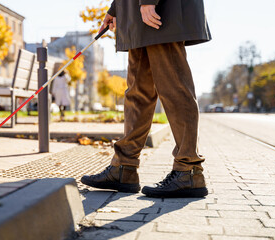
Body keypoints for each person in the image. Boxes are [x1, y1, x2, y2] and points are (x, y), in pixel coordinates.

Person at [81, 0, 211, 198]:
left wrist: (148, 1)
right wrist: (116, 8)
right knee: (137, 93)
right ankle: (124, 168)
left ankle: (189, 170)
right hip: (136, 13)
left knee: (174, 87)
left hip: (159, 9)